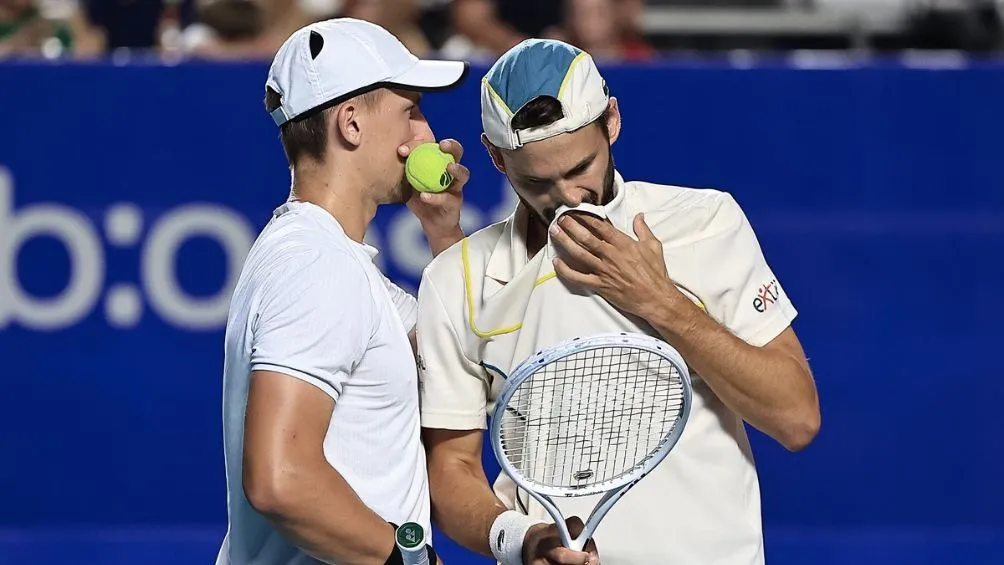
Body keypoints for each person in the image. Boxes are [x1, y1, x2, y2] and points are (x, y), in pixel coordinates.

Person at [415, 39, 821, 565]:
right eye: (537, 180)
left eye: (581, 167)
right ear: (496, 158)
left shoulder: (705, 221)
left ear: (612, 121)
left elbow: (796, 419)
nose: (568, 196)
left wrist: (661, 302)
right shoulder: (455, 279)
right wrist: (521, 539)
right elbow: (451, 471)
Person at [216, 18, 471, 565]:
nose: (426, 135)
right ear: (351, 124)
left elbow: (463, 358)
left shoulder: (336, 264)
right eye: (411, 110)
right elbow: (280, 478)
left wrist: (444, 231)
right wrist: (407, 559)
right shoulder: (315, 266)